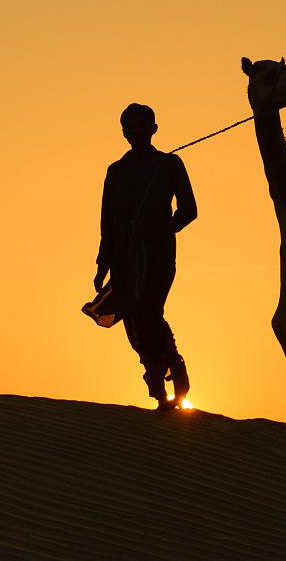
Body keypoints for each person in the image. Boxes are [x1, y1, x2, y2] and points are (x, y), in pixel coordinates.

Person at [95, 104, 197, 410]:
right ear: (124, 132)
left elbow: (189, 211)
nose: (137, 132)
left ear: (154, 129)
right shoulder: (116, 171)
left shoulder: (170, 164)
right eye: (131, 127)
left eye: (143, 126)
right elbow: (107, 223)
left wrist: (158, 229)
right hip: (125, 259)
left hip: (159, 255)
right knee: (134, 320)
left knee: (150, 312)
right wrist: (103, 263)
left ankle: (171, 369)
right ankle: (159, 383)